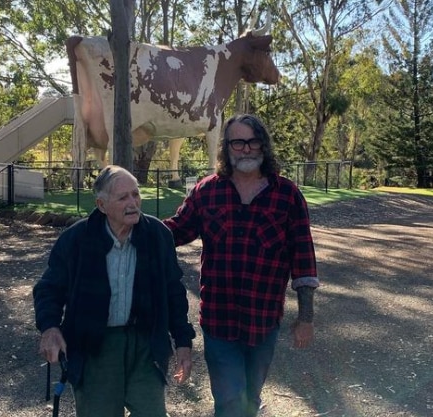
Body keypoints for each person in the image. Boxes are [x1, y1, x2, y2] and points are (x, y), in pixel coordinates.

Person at [163, 114, 319, 417]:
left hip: (264, 320)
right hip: (219, 320)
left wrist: (306, 318)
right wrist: (129, 224)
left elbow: (304, 259)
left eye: (252, 141)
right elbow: (175, 231)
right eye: (238, 142)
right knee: (229, 400)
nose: (245, 149)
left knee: (250, 395)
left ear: (263, 145)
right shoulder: (207, 192)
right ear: (227, 147)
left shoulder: (287, 195)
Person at [34, 165, 196, 417]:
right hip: (95, 346)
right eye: (123, 197)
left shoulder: (157, 236)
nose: (133, 203)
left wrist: (183, 342)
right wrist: (50, 327)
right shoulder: (77, 239)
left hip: (145, 345)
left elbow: (174, 292)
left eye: (136, 194)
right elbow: (49, 289)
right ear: (101, 205)